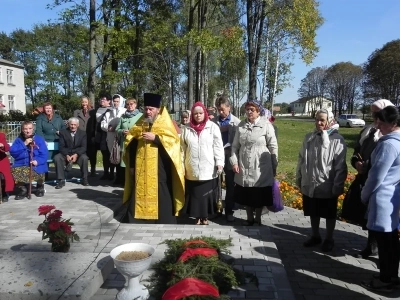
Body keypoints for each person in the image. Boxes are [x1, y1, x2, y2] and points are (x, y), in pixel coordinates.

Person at [343, 99, 395, 259]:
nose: (374, 116)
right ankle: (371, 245)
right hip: (364, 176)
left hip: (380, 181)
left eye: (377, 112)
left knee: (377, 215)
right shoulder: (367, 131)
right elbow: (356, 151)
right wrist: (357, 163)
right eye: (372, 112)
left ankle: (375, 248)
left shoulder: (389, 135)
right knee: (365, 213)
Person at [124, 93, 185, 224]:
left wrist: (156, 138)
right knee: (139, 191)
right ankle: (138, 220)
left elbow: (174, 142)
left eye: (151, 109)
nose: (148, 112)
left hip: (160, 168)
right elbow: (132, 142)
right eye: (146, 108)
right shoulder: (140, 122)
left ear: (157, 109)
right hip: (141, 168)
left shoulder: (165, 122)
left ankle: (163, 218)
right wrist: (132, 167)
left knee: (162, 192)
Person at [360, 106, 400, 292]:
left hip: (382, 197)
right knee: (390, 240)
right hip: (393, 195)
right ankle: (390, 275)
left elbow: (376, 175)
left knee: (385, 243)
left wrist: (364, 195)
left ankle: (386, 279)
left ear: (393, 124)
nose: (378, 126)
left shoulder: (388, 144)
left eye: (382, 123)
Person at [296, 109, 347, 252]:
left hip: (327, 184)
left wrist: (337, 185)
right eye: (317, 120)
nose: (319, 123)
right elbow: (301, 159)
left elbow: (340, 166)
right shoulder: (309, 138)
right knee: (313, 211)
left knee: (329, 213)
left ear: (329, 121)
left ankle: (329, 238)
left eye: (322, 120)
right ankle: (315, 235)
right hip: (310, 182)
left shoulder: (337, 140)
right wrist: (300, 178)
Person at [230, 99, 278, 226]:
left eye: (252, 109)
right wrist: (234, 162)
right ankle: (249, 218)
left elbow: (273, 146)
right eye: (247, 109)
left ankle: (258, 218)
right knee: (247, 192)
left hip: (260, 163)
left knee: (259, 192)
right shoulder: (241, 125)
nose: (249, 112)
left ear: (258, 111)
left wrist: (274, 164)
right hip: (244, 162)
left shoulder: (266, 125)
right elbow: (235, 146)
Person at [181, 102, 224, 225]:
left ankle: (205, 217)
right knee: (195, 194)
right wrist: (182, 165)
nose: (198, 116)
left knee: (206, 195)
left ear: (204, 113)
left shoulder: (212, 127)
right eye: (195, 114)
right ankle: (196, 217)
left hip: (208, 166)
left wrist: (219, 162)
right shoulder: (186, 128)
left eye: (200, 113)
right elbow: (182, 149)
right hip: (192, 166)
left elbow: (218, 146)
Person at [214, 95, 240, 222]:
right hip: (216, 157)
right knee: (216, 185)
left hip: (230, 157)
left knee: (230, 186)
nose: (221, 112)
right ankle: (217, 210)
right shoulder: (213, 122)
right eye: (218, 109)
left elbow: (239, 142)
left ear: (229, 107)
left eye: (223, 109)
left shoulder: (237, 122)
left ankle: (229, 211)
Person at [10, 121, 48, 199]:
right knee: (16, 171)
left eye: (30, 128)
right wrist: (24, 144)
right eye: (25, 129)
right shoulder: (18, 140)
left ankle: (40, 187)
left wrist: (37, 161)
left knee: (39, 170)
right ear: (22, 130)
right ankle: (23, 189)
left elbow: (44, 154)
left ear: (33, 129)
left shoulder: (39, 139)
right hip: (22, 164)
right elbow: (13, 152)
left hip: (35, 164)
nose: (28, 131)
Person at [53, 117, 89, 189]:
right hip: (65, 153)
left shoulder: (83, 133)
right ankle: (61, 180)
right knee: (57, 158)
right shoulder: (63, 133)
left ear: (78, 125)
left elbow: (83, 147)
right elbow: (61, 147)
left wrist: (76, 154)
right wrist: (66, 155)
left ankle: (85, 179)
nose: (73, 126)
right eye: (71, 124)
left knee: (84, 158)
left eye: (74, 125)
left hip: (78, 154)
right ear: (68, 124)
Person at [115, 98, 142, 187]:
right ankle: (127, 186)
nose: (130, 106)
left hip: (137, 144)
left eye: (132, 104)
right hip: (125, 145)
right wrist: (122, 131)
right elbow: (117, 129)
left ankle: (136, 186)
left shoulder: (141, 116)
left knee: (136, 166)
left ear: (135, 105)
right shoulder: (123, 117)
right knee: (127, 167)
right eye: (128, 104)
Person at [100, 94, 127, 185]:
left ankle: (123, 179)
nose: (115, 103)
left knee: (122, 159)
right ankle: (117, 178)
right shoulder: (108, 113)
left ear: (121, 102)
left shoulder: (125, 111)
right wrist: (108, 127)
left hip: (122, 138)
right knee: (115, 157)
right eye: (114, 101)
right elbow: (103, 124)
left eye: (117, 101)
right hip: (111, 138)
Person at [74, 96, 97, 177]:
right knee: (83, 154)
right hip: (81, 136)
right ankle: (84, 170)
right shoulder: (77, 112)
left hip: (91, 136)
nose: (84, 103)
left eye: (85, 102)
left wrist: (94, 135)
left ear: (88, 102)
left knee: (92, 154)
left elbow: (95, 124)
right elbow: (74, 123)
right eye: (83, 102)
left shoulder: (93, 112)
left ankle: (93, 169)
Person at [93, 95, 112, 180]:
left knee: (111, 154)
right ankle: (105, 173)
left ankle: (112, 173)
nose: (101, 101)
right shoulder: (96, 110)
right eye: (101, 99)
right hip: (100, 136)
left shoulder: (112, 110)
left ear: (109, 101)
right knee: (104, 154)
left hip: (109, 134)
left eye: (104, 99)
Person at [0, 132, 14, 202]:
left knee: (4, 177)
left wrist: (2, 145)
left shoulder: (1, 135)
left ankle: (4, 193)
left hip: (1, 160)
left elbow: (7, 147)